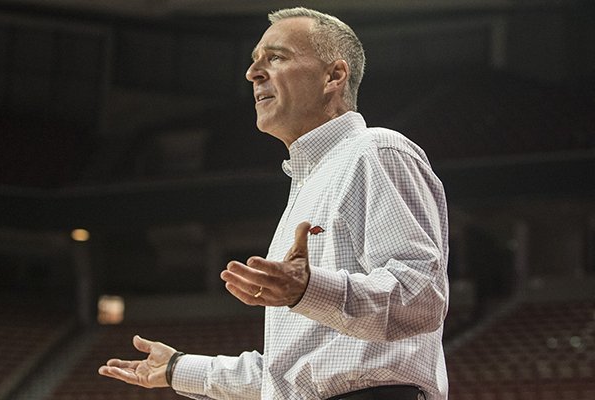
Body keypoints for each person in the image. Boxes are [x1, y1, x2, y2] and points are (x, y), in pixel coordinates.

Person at [99, 7, 449, 400]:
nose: (253, 73)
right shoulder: (309, 184)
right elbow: (289, 375)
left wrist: (309, 289)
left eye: (276, 57)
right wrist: (179, 367)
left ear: (334, 76)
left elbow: (420, 298)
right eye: (253, 63)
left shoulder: (375, 150)